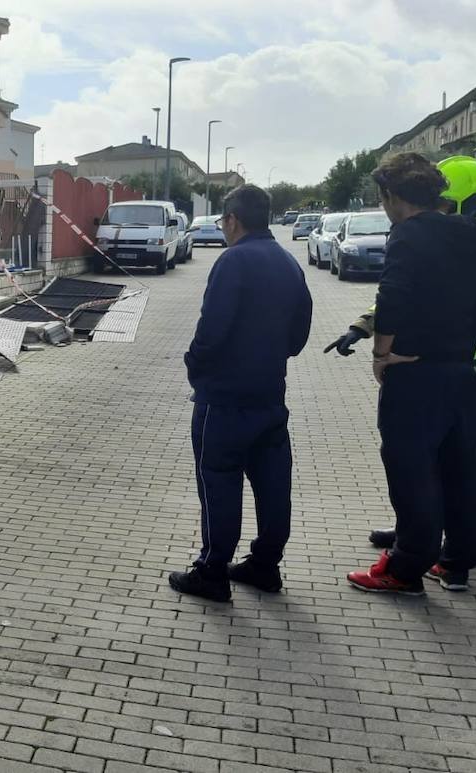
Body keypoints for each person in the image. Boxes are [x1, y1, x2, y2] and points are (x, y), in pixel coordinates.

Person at [325, 155, 476, 572]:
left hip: (438, 372)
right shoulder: (473, 237)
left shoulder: (418, 236)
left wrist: (380, 355)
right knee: (463, 466)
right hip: (462, 368)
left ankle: (416, 559)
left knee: (418, 467)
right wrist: (361, 326)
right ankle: (456, 553)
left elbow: (397, 295)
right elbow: (415, 292)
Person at [169, 184, 313, 602]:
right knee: (273, 484)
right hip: (270, 396)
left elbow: (211, 330)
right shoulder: (288, 262)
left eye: (222, 221)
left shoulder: (233, 261)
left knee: (218, 482)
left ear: (232, 220)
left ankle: (212, 572)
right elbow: (299, 334)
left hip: (225, 399)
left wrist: (196, 366)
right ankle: (265, 566)